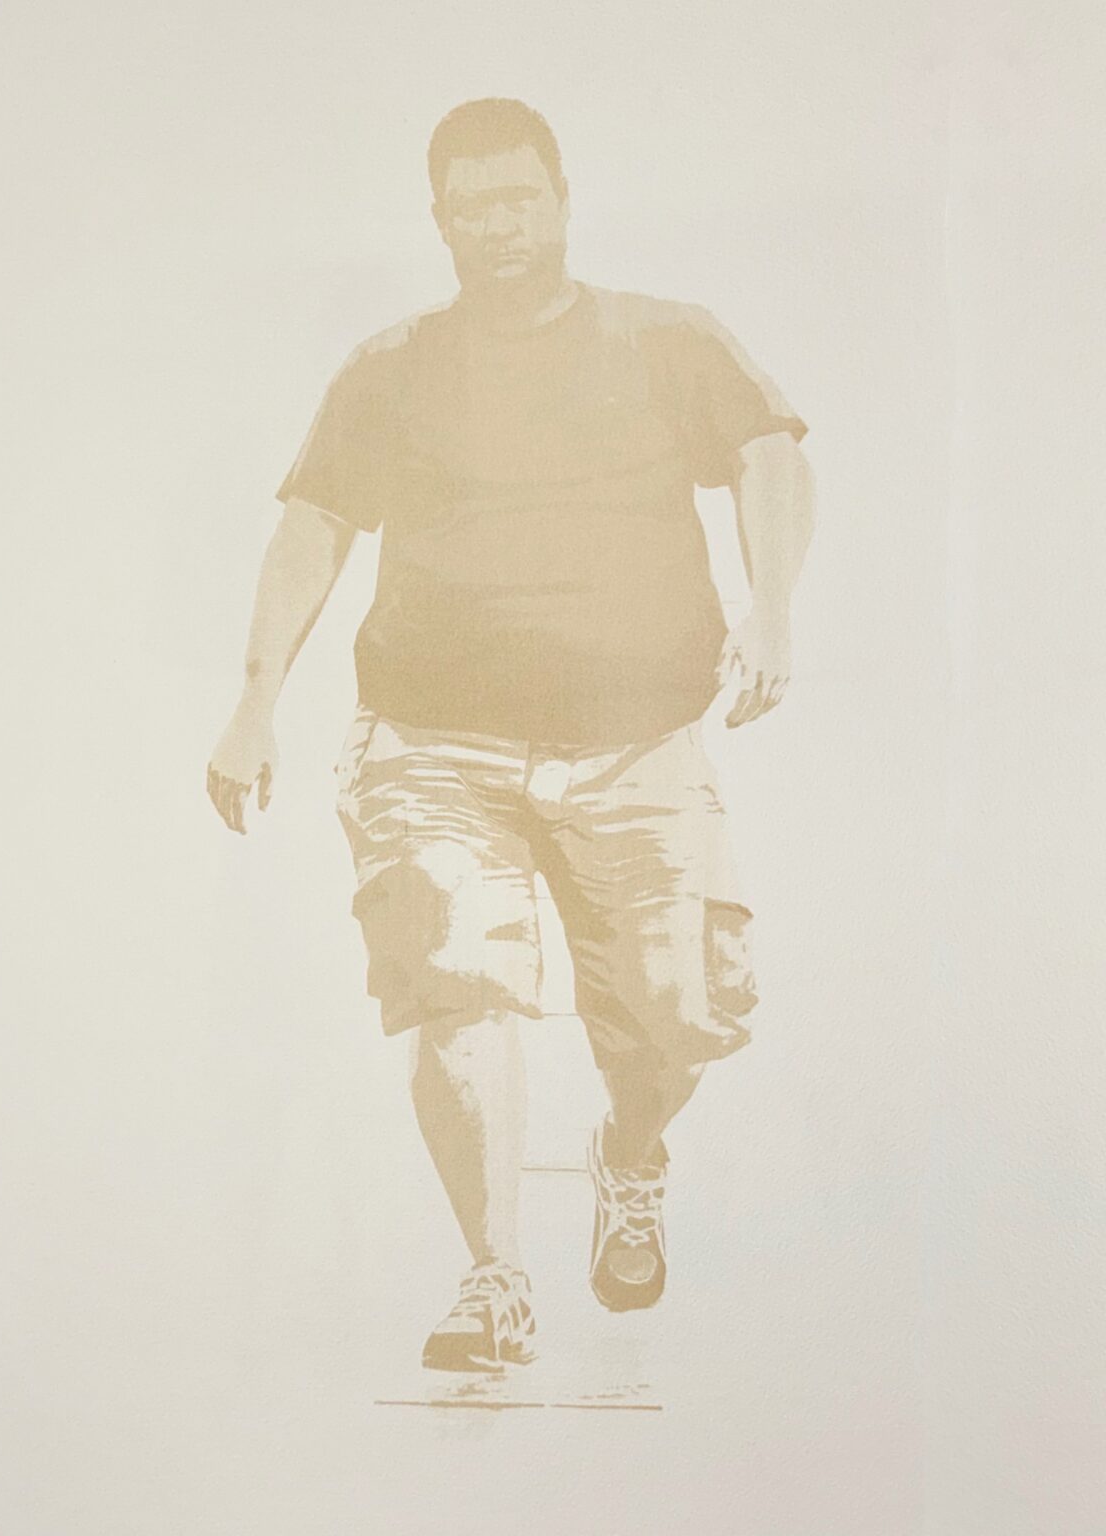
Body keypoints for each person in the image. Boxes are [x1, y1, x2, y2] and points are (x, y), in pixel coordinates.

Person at [207, 98, 814, 1373]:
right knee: (456, 992)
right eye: (474, 206)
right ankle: (494, 1279)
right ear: (440, 223)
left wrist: (772, 607)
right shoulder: (389, 371)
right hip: (433, 742)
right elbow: (313, 526)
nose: (501, 225)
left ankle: (629, 1155)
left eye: (521, 198)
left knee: (677, 1019)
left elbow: (769, 453)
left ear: (563, 200)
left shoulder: (669, 340)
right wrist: (255, 697)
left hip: (636, 739)